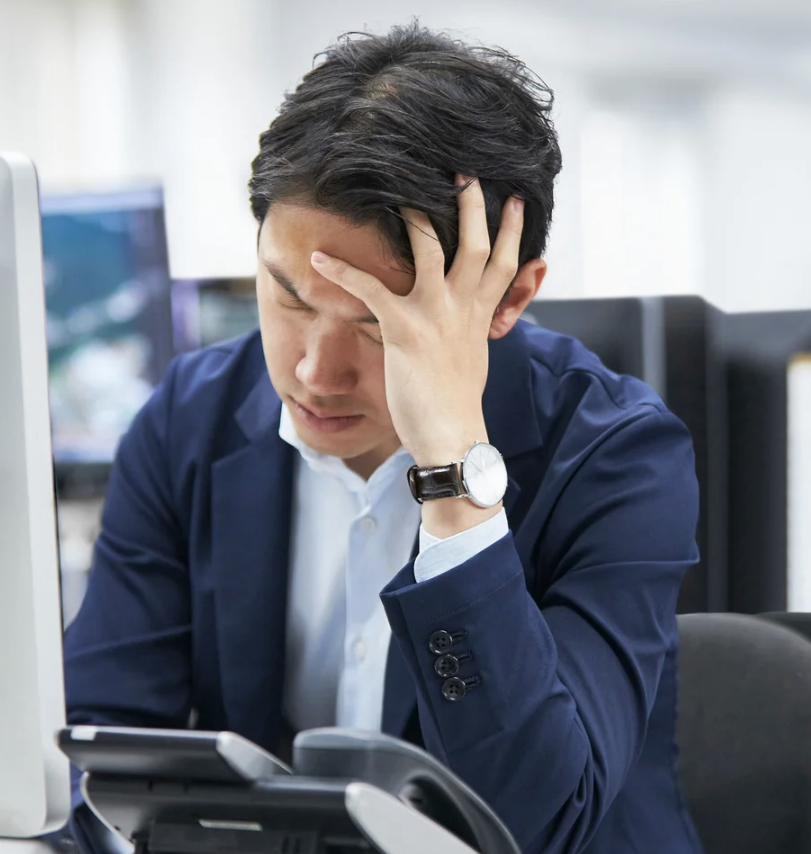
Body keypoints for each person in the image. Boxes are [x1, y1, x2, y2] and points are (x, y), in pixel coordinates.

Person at [61, 21, 702, 854]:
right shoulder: (193, 416)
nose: (316, 372)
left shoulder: (616, 457)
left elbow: (540, 821)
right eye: (290, 298)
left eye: (377, 324)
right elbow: (96, 749)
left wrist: (452, 478)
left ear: (506, 300)